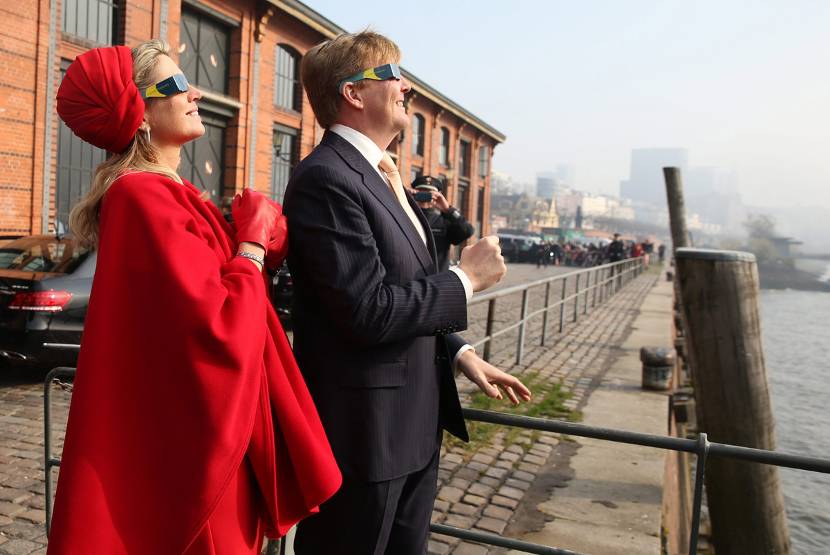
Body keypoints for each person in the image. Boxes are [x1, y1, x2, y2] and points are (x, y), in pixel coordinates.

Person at [48, 42, 341, 554]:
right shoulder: (142, 195)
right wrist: (250, 244)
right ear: (140, 114)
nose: (195, 93)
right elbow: (215, 326)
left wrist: (254, 242)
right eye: (175, 85)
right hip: (203, 445)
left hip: (214, 431)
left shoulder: (168, 193)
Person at [283, 31, 531, 554]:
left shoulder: (384, 174)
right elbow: (365, 310)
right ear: (353, 93)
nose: (405, 87)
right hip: (366, 438)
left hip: (415, 426)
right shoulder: (326, 178)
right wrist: (466, 278)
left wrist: (458, 351)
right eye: (392, 75)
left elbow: (404, 288)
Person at [412, 175, 475, 271]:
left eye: (430, 193)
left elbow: (468, 231)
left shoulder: (444, 221)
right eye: (421, 191)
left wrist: (447, 209)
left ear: (438, 196)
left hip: (437, 276)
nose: (425, 195)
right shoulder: (405, 215)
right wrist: (404, 199)